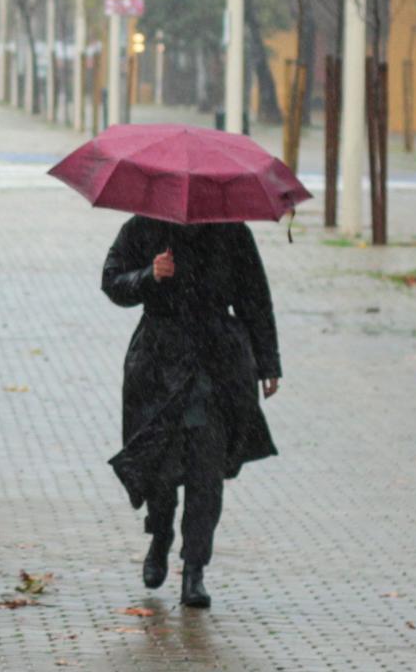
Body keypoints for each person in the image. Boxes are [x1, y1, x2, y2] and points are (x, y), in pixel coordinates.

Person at [101, 217, 281, 609]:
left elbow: (254, 298)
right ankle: (160, 533)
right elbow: (112, 281)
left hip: (217, 366)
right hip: (157, 364)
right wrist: (150, 275)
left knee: (206, 471)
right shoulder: (143, 227)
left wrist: (268, 363)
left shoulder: (233, 232)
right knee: (159, 466)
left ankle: (195, 568)